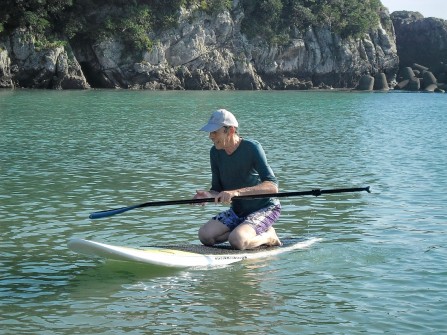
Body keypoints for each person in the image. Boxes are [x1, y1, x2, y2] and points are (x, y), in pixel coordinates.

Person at [194, 109, 282, 250]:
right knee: (205, 236)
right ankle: (243, 231)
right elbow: (217, 190)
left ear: (230, 130)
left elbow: (272, 186)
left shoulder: (252, 148)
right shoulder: (215, 152)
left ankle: (269, 236)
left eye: (214, 132)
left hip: (265, 208)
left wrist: (237, 192)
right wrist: (208, 195)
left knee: (237, 241)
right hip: (238, 211)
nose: (210, 136)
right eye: (210, 132)